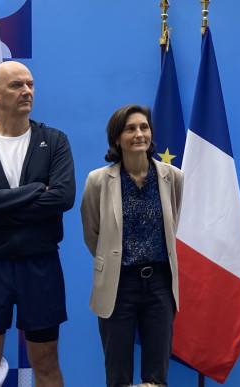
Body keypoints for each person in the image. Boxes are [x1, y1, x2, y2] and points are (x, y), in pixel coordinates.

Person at [0, 61, 75, 386]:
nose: (26, 91)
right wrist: (38, 190)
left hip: (39, 266)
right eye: (16, 85)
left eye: (30, 84)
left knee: (47, 363)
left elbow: (63, 198)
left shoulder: (54, 141)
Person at [80, 104, 183, 387]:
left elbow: (174, 221)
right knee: (118, 377)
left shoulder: (173, 177)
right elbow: (93, 234)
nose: (139, 134)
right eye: (130, 128)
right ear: (116, 138)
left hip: (160, 285)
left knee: (156, 377)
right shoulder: (98, 181)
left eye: (144, 127)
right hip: (118, 286)